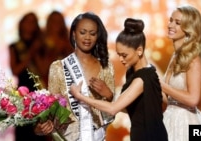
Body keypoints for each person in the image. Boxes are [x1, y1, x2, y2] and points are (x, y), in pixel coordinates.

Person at [70, 18, 168, 141]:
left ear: (139, 50)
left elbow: (113, 109)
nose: (121, 59)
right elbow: (145, 106)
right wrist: (109, 95)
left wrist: (80, 97)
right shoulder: (141, 73)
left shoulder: (142, 79)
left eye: (124, 55)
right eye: (119, 55)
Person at [34, 12, 115, 141]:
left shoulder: (106, 66)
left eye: (92, 33)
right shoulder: (58, 67)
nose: (87, 37)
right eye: (83, 32)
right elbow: (51, 108)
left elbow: (112, 109)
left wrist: (109, 95)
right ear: (73, 34)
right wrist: (41, 127)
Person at [160, 5, 201, 141]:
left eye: (177, 23)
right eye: (171, 20)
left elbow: (193, 99)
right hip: (169, 120)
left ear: (188, 29)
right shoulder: (175, 56)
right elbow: (170, 99)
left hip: (184, 123)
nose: (170, 25)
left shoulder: (193, 59)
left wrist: (164, 87)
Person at [8, 12, 49, 141]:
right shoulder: (15, 46)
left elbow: (43, 70)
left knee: (40, 128)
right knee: (23, 127)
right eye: (27, 21)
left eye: (33, 22)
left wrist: (37, 50)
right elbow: (15, 70)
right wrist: (30, 53)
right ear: (21, 24)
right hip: (23, 92)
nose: (30, 25)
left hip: (39, 91)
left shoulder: (41, 46)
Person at [37, 10, 74, 86]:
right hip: (47, 85)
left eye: (59, 21)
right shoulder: (40, 43)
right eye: (53, 21)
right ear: (48, 23)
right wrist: (56, 51)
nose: (56, 24)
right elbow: (43, 70)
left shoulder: (68, 41)